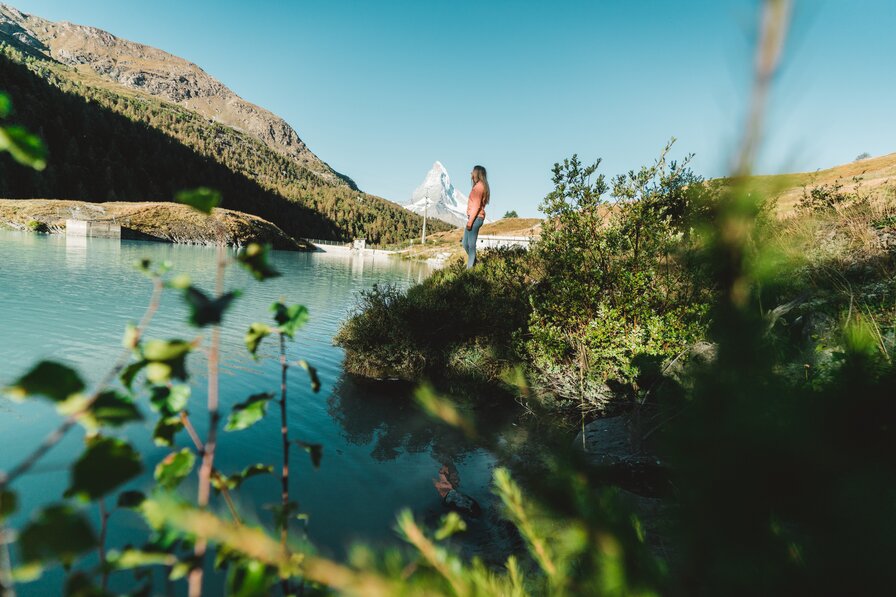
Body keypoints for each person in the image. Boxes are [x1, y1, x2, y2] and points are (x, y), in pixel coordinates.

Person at [462, 165, 489, 269]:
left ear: (477, 173)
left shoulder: (479, 187)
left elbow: (476, 206)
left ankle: (470, 270)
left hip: (475, 218)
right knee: (465, 243)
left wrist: (470, 222)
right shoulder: (479, 186)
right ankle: (475, 262)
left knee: (471, 245)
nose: (471, 173)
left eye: (473, 171)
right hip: (474, 218)